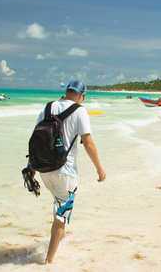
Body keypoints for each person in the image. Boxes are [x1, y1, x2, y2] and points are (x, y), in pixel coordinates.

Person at [28, 80, 106, 264]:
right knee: (61, 214)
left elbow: (36, 141)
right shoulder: (80, 111)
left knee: (59, 205)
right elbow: (88, 143)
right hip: (66, 171)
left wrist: (30, 166)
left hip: (44, 170)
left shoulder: (47, 108)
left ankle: (61, 235)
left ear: (66, 91)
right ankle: (48, 261)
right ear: (81, 96)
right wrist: (99, 169)